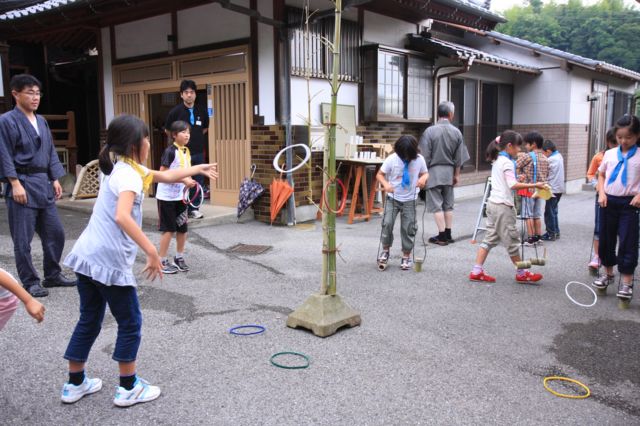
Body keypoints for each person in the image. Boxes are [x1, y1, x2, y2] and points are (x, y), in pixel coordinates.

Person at [60, 115, 218, 407]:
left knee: (90, 319)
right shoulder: (128, 175)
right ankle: (128, 387)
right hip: (108, 261)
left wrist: (198, 169)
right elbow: (122, 216)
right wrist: (152, 251)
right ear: (136, 144)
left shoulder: (122, 167)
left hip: (87, 257)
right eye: (146, 138)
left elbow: (165, 176)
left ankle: (75, 383)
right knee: (130, 322)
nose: (149, 142)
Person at [0, 74, 75, 298]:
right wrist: (14, 183)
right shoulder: (6, 121)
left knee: (56, 233)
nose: (35, 97)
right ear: (15, 94)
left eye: (37, 93)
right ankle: (30, 281)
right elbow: (3, 153)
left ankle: (52, 274)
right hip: (22, 183)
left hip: (43, 183)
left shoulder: (41, 121)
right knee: (22, 239)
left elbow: (50, 152)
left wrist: (55, 179)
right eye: (30, 92)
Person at [469, 131, 547, 283]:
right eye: (518, 147)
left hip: (493, 204)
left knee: (490, 238)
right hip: (503, 206)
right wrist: (535, 184)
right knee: (512, 241)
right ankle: (522, 273)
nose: (520, 150)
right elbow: (513, 185)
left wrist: (523, 180)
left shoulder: (498, 159)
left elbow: (508, 181)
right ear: (509, 146)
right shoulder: (507, 162)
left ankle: (477, 271)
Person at [592, 115, 640, 300]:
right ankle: (608, 274)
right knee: (605, 239)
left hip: (629, 204)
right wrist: (602, 193)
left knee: (628, 242)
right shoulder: (610, 154)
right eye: (620, 137)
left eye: (628, 137)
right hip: (608, 201)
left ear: (637, 135)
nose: (623, 141)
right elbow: (601, 175)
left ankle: (627, 282)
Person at [419, 101, 469, 246]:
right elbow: (459, 157)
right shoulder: (457, 132)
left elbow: (425, 156)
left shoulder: (429, 131)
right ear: (451, 115)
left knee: (436, 205)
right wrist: (457, 175)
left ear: (438, 114)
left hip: (433, 172)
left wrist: (423, 174)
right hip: (449, 173)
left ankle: (441, 236)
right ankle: (448, 233)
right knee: (448, 204)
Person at [377, 135, 429, 270]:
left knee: (408, 228)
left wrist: (423, 179)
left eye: (409, 155)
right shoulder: (391, 159)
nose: (406, 158)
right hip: (392, 197)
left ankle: (406, 255)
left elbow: (425, 173)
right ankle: (385, 250)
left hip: (410, 199)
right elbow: (379, 174)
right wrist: (386, 184)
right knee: (387, 223)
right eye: (403, 155)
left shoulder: (419, 159)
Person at [165, 80, 209, 219]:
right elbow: (168, 130)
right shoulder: (175, 112)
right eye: (186, 92)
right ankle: (182, 208)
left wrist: (193, 138)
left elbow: (205, 129)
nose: (189, 95)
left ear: (195, 94)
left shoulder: (201, 110)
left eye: (192, 92)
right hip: (181, 153)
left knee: (198, 180)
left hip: (197, 152)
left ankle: (194, 208)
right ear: (181, 95)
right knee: (182, 180)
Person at [156, 121, 196, 274]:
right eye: (183, 132)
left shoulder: (186, 151)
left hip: (181, 196)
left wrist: (189, 181)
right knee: (168, 229)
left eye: (188, 132)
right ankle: (162, 260)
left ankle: (178, 257)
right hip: (166, 197)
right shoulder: (170, 151)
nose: (187, 135)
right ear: (174, 135)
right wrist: (183, 180)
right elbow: (162, 174)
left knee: (182, 228)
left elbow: (186, 171)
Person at [587, 128, 618, 271]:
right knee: (599, 227)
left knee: (618, 229)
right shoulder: (599, 156)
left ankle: (612, 257)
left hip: (620, 196)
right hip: (601, 195)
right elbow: (591, 174)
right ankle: (597, 255)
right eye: (614, 143)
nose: (617, 146)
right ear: (608, 142)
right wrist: (596, 186)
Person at [516, 131, 549, 246]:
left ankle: (530, 238)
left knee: (527, 215)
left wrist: (521, 176)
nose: (525, 146)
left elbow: (515, 165)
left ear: (533, 144)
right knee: (536, 214)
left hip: (528, 189)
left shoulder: (528, 156)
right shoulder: (545, 158)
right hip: (540, 190)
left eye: (527, 144)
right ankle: (538, 236)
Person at [541, 140, 565, 241]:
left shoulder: (551, 160)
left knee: (549, 212)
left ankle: (551, 233)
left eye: (544, 153)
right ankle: (556, 231)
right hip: (559, 188)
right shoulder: (559, 156)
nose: (543, 155)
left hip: (552, 189)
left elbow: (545, 172)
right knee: (554, 211)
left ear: (548, 151)